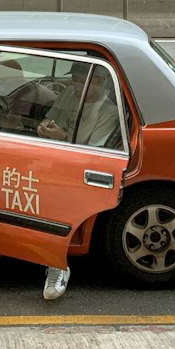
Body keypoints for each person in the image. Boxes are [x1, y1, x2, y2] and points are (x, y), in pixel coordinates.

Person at [37, 62, 122, 301]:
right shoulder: (69, 95)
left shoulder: (107, 112)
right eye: (73, 79)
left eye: (81, 81)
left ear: (99, 83)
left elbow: (93, 155)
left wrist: (61, 137)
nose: (75, 85)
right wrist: (45, 128)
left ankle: (57, 264)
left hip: (77, 169)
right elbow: (50, 118)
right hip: (50, 156)